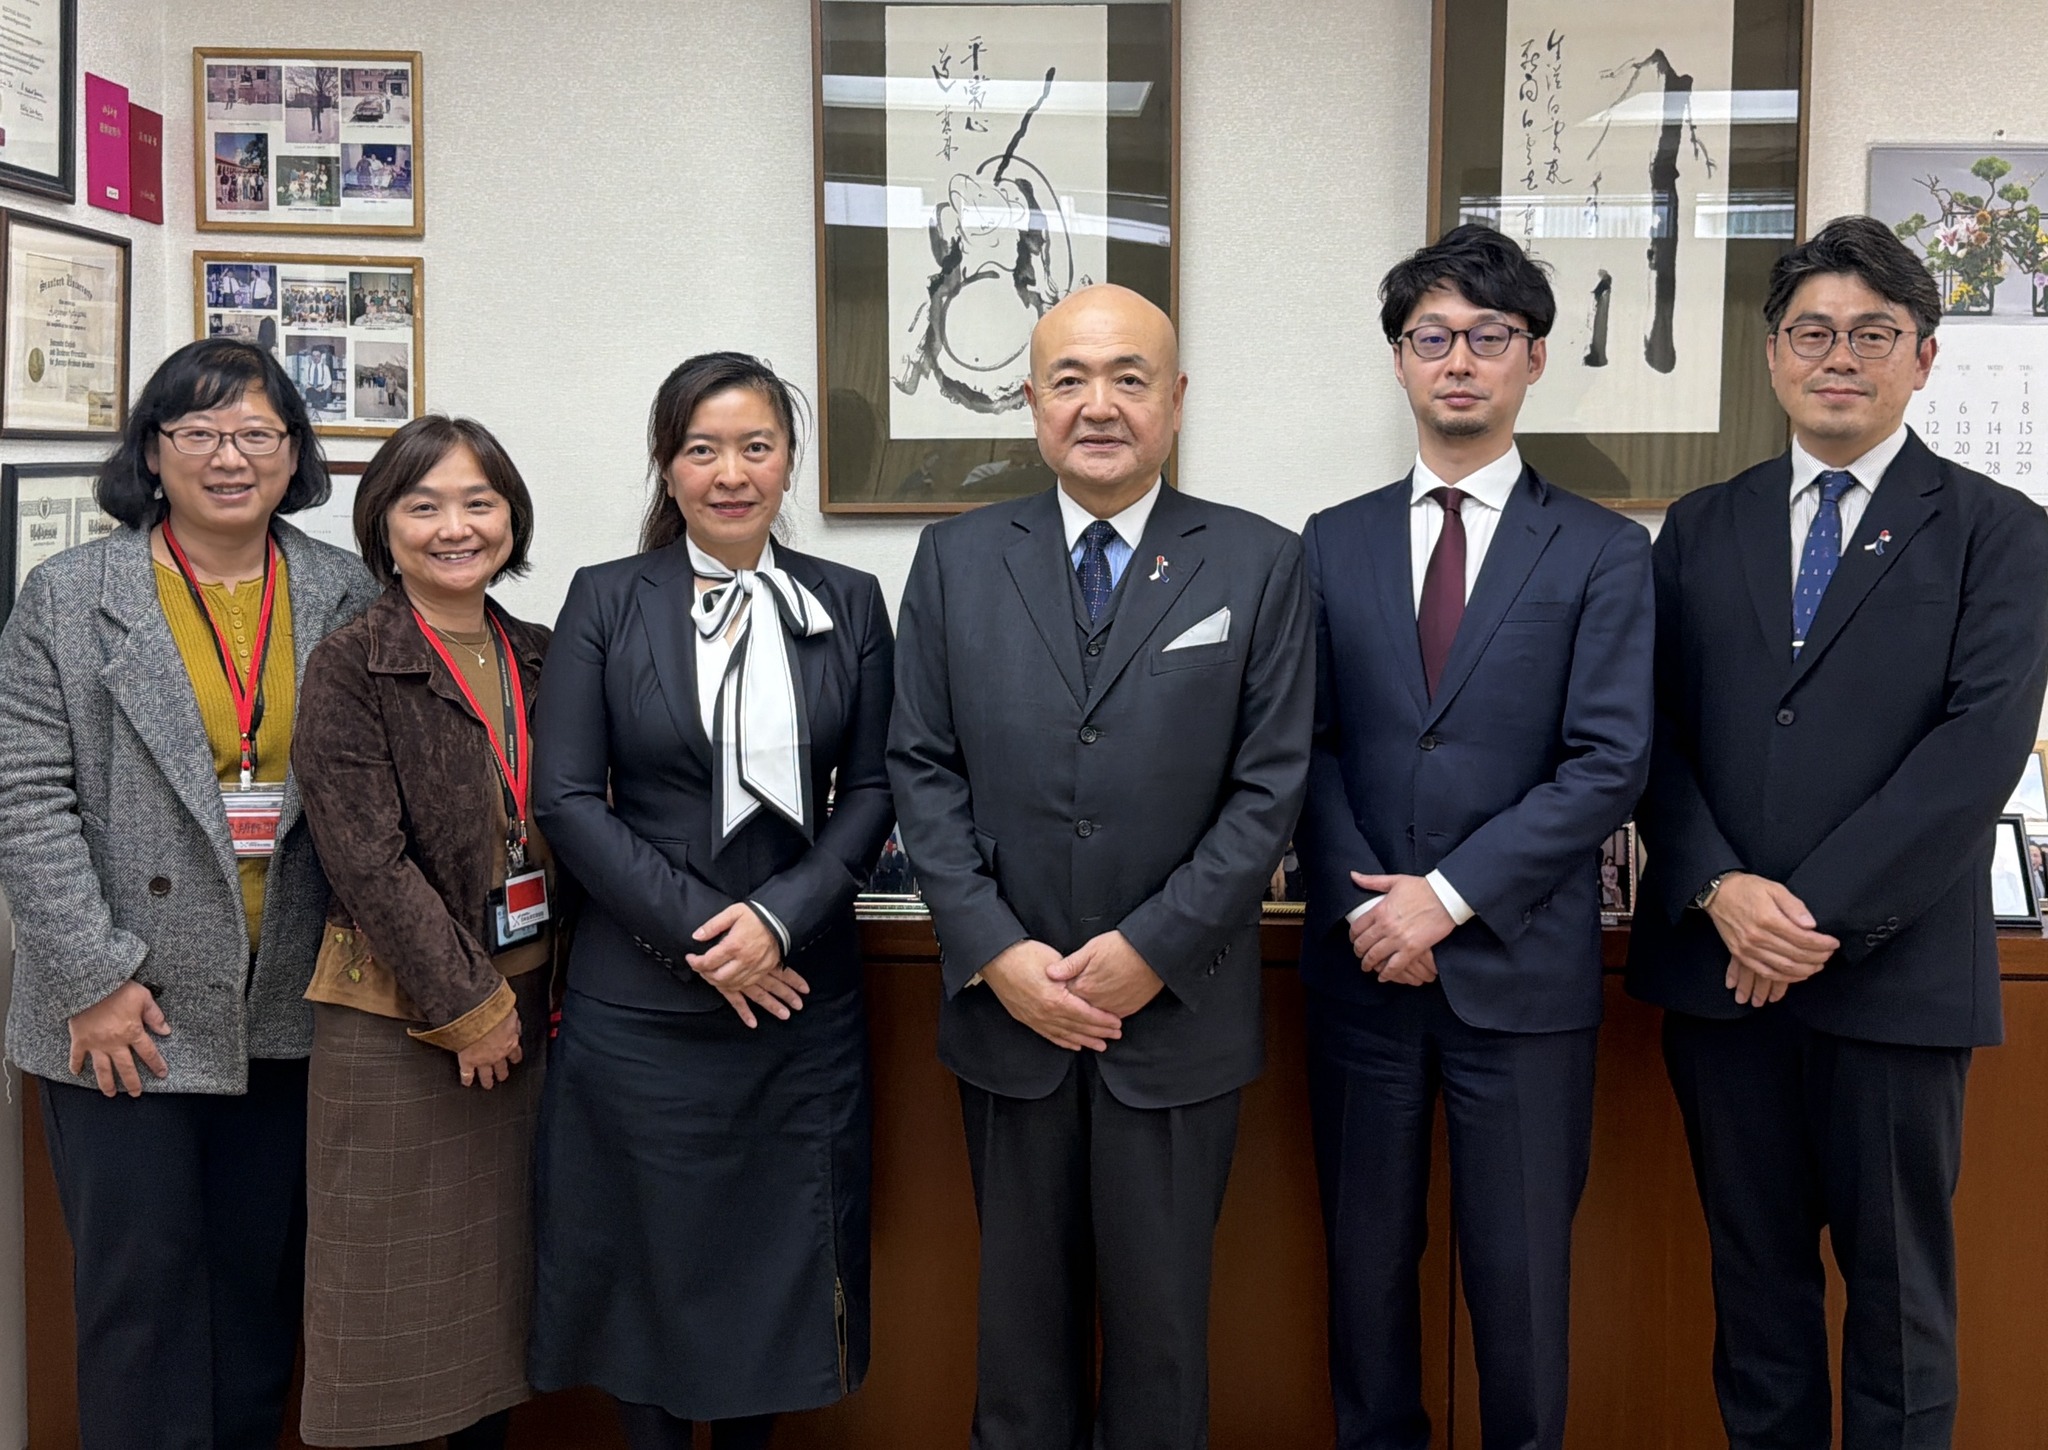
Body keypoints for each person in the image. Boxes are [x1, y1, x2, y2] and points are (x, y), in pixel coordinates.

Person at [1626, 214, 2048, 1449]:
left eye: (1873, 333)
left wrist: (1801, 917)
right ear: (1770, 355)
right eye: (1811, 332)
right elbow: (1647, 732)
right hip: (1721, 982)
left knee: (1900, 1302)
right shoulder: (1699, 525)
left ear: (1923, 357)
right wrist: (1714, 890)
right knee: (1753, 1294)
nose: (1838, 357)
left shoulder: (1997, 530)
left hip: (1895, 980)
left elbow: (1974, 753)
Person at [888, 283, 1313, 1450]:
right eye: (1069, 379)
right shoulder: (956, 558)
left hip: (1175, 1020)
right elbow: (919, 769)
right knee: (1016, 1350)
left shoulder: (1260, 563)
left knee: (1162, 1345)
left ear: (1174, 401)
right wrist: (995, 951)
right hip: (1008, 1014)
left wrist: (1150, 950)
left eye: (1129, 378)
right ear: (1028, 402)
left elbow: (1269, 788)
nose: (1098, 405)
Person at [1294, 224, 1655, 1450]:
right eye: (1431, 338)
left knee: (1519, 1290)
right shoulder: (1329, 540)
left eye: (1487, 338)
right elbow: (1311, 745)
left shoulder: (1604, 549)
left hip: (1521, 978)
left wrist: (1442, 898)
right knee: (1363, 1282)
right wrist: (1366, 911)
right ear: (1397, 361)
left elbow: (1607, 761)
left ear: (1533, 361)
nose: (1459, 362)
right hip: (1359, 980)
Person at [0, 338, 379, 1449]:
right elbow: (27, 796)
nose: (230, 457)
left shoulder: (341, 589)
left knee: (259, 1307)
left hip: (287, 1009)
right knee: (143, 1309)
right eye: (199, 432)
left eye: (258, 432)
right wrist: (93, 977)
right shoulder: (72, 596)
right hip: (129, 1012)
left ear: (295, 453)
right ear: (151, 453)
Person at [528, 352, 895, 1450]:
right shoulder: (606, 597)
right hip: (639, 1001)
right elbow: (567, 799)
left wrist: (779, 919)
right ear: (666, 465)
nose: (729, 472)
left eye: (755, 446)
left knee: (776, 1264)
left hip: (799, 1002)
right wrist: (707, 933)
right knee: (644, 1258)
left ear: (788, 462)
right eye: (701, 449)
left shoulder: (848, 601)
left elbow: (874, 786)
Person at [290, 417, 553, 1450]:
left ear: (511, 517)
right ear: (383, 528)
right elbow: (364, 858)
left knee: (490, 1306)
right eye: (424, 505)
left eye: (479, 502)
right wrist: (469, 1005)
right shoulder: (353, 661)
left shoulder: (538, 649)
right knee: (391, 1313)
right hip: (405, 1021)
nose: (456, 527)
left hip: (531, 1005)